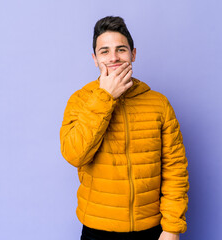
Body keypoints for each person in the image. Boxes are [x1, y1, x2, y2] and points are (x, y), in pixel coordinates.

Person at [60, 16, 189, 240]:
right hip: (97, 231)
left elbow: (175, 169)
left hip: (152, 230)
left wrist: (171, 228)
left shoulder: (159, 103)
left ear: (133, 54)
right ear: (94, 59)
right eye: (104, 51)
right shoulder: (80, 100)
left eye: (121, 49)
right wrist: (106, 96)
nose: (114, 58)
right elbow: (74, 155)